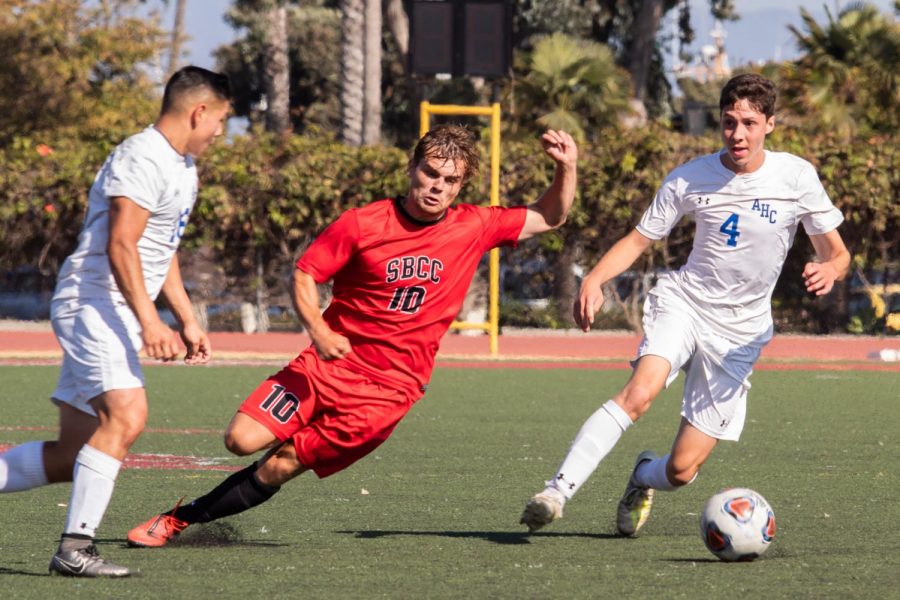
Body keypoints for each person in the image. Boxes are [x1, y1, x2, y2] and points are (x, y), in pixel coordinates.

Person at [125, 124, 578, 548]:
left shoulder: (473, 225)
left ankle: (178, 519)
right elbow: (305, 274)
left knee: (281, 464)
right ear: (412, 168)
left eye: (451, 180)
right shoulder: (363, 223)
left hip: (386, 394)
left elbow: (550, 215)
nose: (438, 186)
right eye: (431, 172)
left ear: (461, 186)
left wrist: (566, 167)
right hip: (327, 365)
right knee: (240, 439)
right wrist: (318, 331)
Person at [519, 73, 850, 536]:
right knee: (640, 392)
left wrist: (831, 269)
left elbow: (837, 252)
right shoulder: (689, 178)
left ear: (770, 124)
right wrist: (595, 277)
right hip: (685, 303)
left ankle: (641, 476)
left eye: (750, 123)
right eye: (729, 121)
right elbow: (638, 240)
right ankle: (555, 492)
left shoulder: (795, 177)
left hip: (740, 333)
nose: (737, 134)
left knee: (680, 471)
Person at [0, 66, 231, 577]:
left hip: (114, 308)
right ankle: (74, 549)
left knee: (70, 455)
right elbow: (121, 243)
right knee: (126, 418)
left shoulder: (182, 166)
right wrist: (152, 324)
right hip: (94, 302)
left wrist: (186, 318)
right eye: (221, 120)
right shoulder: (142, 155)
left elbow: (160, 247)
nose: (219, 132)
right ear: (199, 111)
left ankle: (74, 545)